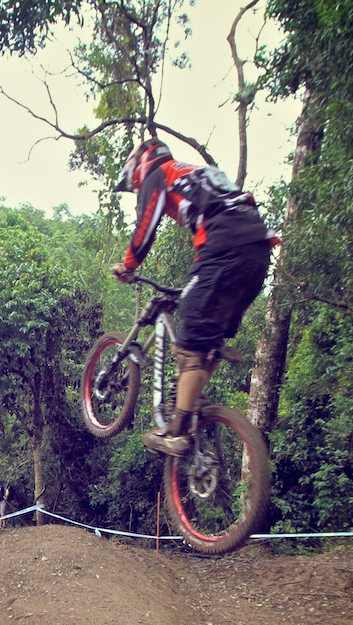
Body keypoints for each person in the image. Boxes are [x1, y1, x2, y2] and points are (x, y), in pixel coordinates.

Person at [111, 138, 277, 457]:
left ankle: (176, 432)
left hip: (226, 248)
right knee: (205, 339)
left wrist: (129, 264)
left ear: (139, 165)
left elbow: (146, 226)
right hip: (257, 256)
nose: (137, 190)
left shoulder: (158, 174)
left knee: (189, 345)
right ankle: (192, 401)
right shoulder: (195, 174)